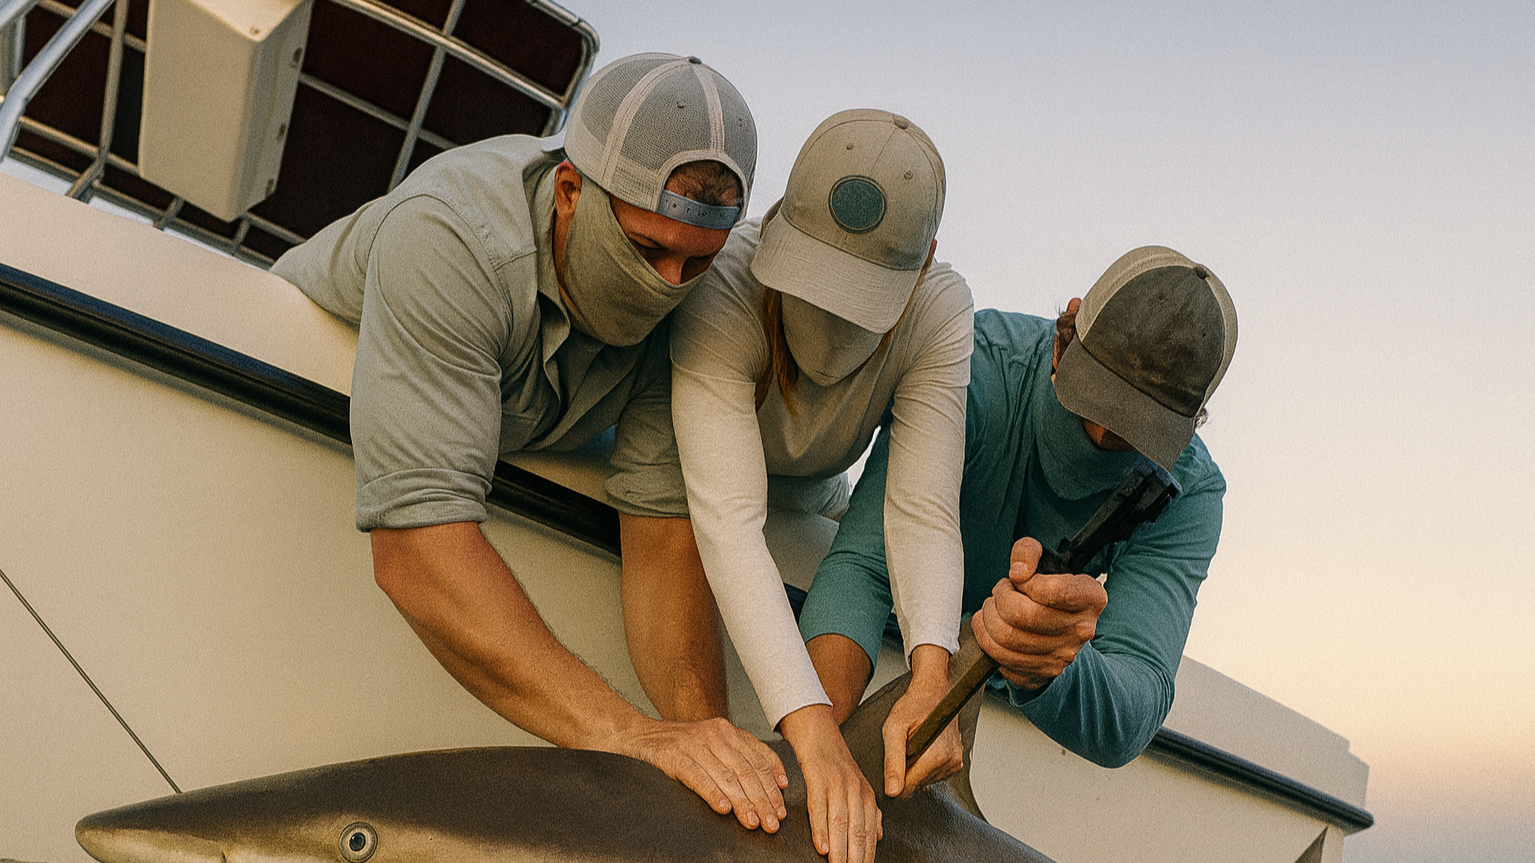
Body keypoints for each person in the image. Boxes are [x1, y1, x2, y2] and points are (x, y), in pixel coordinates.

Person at [269, 53, 790, 832]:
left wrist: (708, 756)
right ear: (571, 191)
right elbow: (416, 548)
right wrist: (631, 736)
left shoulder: (692, 300)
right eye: (647, 251)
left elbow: (661, 542)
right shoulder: (451, 235)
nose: (669, 285)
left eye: (697, 262)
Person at [654, 109, 974, 863]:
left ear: (923, 261)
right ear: (776, 228)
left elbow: (920, 507)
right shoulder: (726, 282)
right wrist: (814, 733)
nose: (828, 311)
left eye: (854, 291)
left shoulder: (939, 308)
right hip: (699, 467)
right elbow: (729, 524)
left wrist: (932, 673)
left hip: (814, 491)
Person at [799, 246, 1238, 791]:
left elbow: (1133, 708)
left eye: (1135, 429)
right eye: (1090, 398)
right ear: (1062, 338)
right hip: (889, 644)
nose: (1101, 436)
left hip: (1016, 704)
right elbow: (865, 564)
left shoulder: (1191, 491)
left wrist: (1049, 662)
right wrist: (813, 757)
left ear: (1192, 425)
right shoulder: (976, 362)